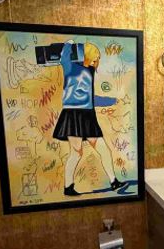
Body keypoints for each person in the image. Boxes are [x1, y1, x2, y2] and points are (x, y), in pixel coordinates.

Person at [36, 39, 124, 196]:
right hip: (73, 115)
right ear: (87, 55)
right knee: (76, 153)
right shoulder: (70, 66)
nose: (96, 61)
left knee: (103, 149)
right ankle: (68, 187)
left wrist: (111, 101)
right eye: (94, 58)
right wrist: (68, 44)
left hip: (87, 114)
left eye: (97, 59)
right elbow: (64, 56)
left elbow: (89, 96)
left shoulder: (90, 71)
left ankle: (114, 181)